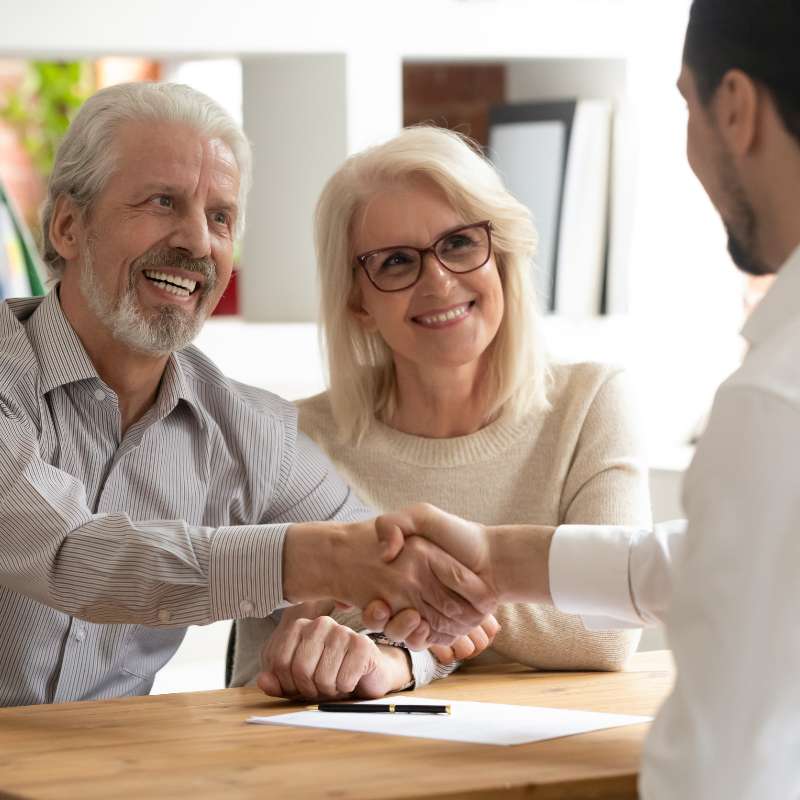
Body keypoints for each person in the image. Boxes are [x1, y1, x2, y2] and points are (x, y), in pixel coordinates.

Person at [367, 1, 800, 796]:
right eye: (393, 261)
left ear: (733, 108)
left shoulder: (775, 400)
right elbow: (701, 564)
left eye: (684, 104)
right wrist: (498, 561)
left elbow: (725, 766)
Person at [0, 81, 496, 707]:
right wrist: (313, 558)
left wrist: (390, 653)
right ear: (70, 226)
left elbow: (390, 568)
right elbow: (71, 553)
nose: (197, 242)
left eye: (220, 216)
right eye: (162, 202)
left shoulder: (249, 431)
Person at [231, 125, 652, 698]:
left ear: (500, 253)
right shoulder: (291, 441)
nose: (438, 281)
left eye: (458, 244)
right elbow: (263, 670)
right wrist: (444, 626)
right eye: (397, 262)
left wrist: (403, 628)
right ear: (357, 299)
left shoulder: (591, 404)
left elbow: (608, 626)